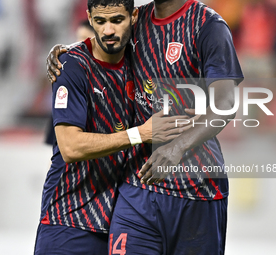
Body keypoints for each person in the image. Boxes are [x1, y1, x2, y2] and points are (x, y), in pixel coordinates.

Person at [47, 0, 244, 254]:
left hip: (197, 189)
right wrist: (65, 53)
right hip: (139, 186)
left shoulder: (207, 25)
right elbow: (102, 41)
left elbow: (226, 104)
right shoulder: (137, 20)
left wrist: (177, 147)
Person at [34, 0, 191, 254]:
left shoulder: (141, 62)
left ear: (133, 17)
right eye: (100, 21)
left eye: (117, 20)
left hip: (121, 227)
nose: (108, 30)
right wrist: (139, 134)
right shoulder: (72, 67)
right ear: (89, 18)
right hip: (69, 222)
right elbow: (70, 147)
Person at [44, 20, 95, 146]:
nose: (79, 42)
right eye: (78, 37)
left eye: (84, 38)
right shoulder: (66, 80)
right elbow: (57, 150)